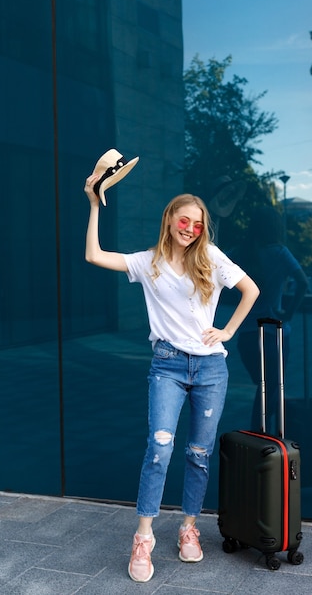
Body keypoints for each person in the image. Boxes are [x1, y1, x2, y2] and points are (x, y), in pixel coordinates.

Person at [84, 174, 259, 583]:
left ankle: (188, 527)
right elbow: (94, 255)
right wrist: (94, 204)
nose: (191, 230)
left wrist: (228, 331)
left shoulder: (211, 258)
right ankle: (143, 537)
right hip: (167, 365)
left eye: (198, 225)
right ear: (169, 221)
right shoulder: (149, 263)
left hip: (211, 368)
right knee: (159, 449)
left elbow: (251, 290)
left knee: (199, 453)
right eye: (184, 222)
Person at [231, 206, 309, 434]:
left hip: (245, 334)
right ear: (275, 228)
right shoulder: (280, 253)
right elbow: (302, 283)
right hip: (274, 333)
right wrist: (289, 312)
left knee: (264, 387)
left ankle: (262, 436)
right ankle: (262, 437)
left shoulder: (239, 254)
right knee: (271, 389)